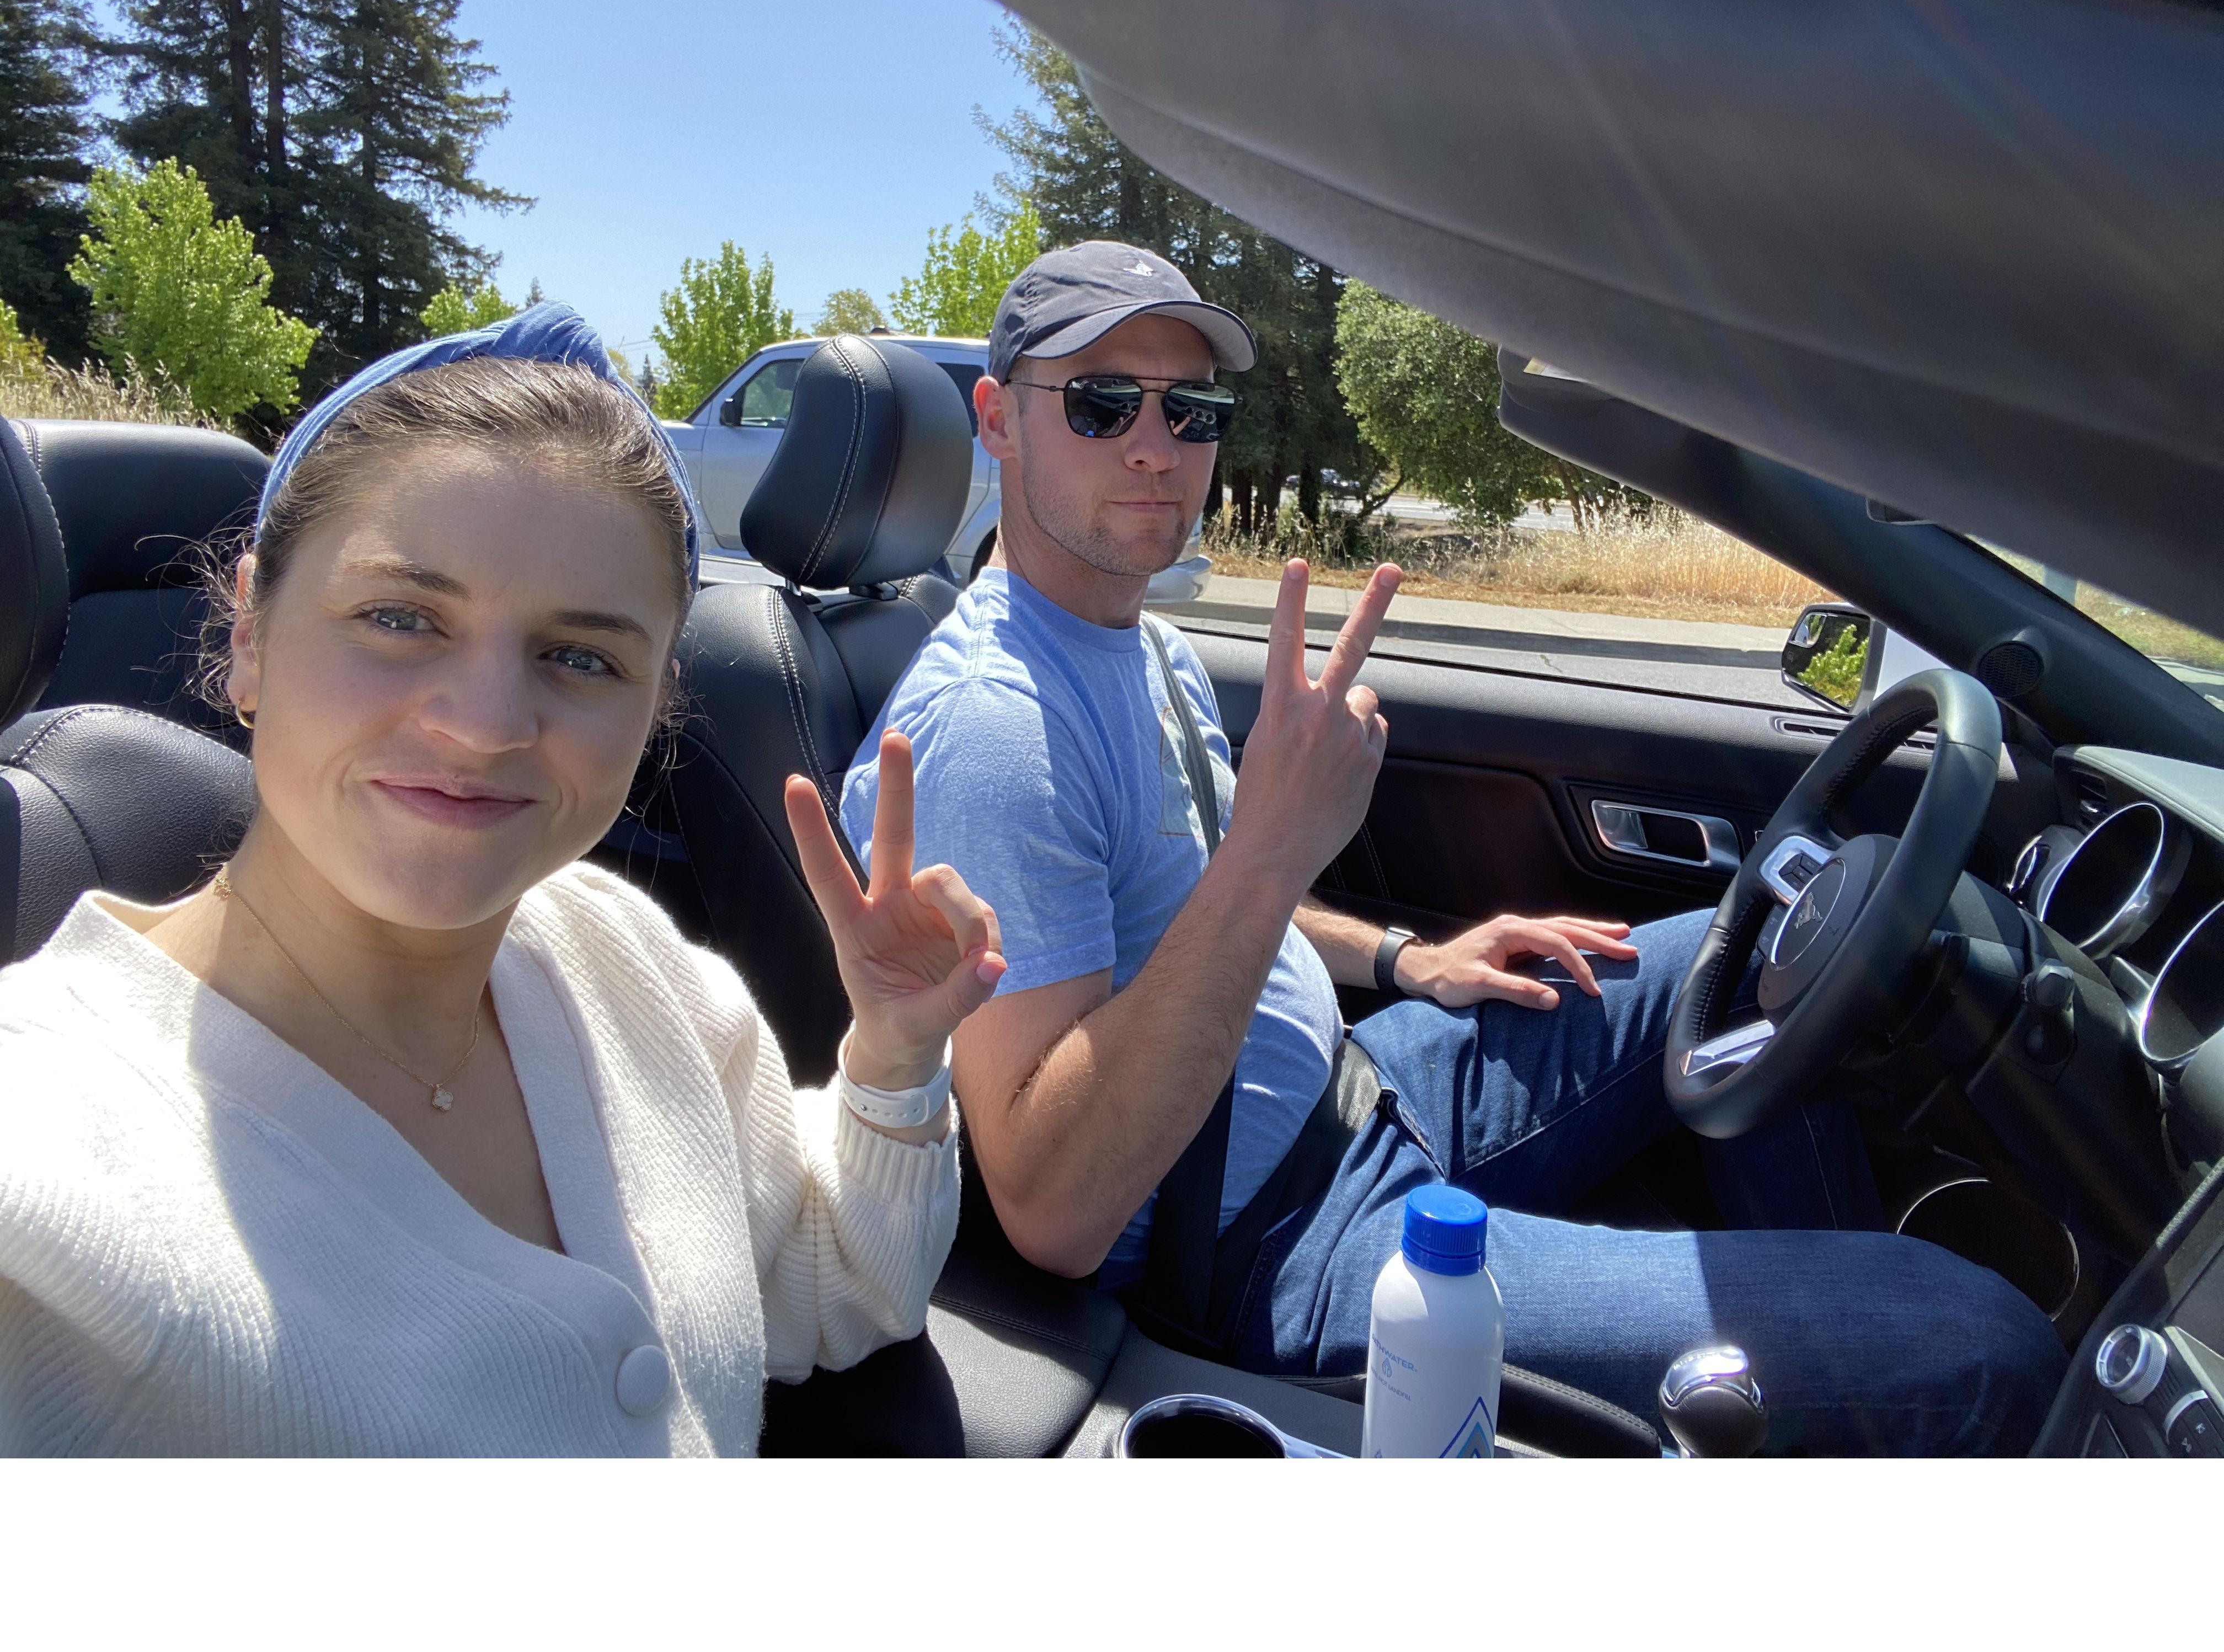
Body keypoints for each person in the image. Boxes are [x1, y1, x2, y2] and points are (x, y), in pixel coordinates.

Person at [842, 242, 2067, 1455]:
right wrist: (1272, 848)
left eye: (1192, 407)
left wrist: (1407, 957)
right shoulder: (996, 729)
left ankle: (1821, 1355)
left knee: (1762, 951)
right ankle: (1857, 1362)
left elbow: (1188, 899)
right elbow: (1054, 1206)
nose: (1158, 446)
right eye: (1103, 403)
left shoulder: (1145, 645)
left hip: (1367, 1084)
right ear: (998, 420)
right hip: (1273, 1239)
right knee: (1977, 1343)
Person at [0, 305, 1002, 1457]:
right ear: (251, 635)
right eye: (399, 618)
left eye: (582, 657)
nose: (484, 725)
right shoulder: (44, 1162)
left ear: (655, 702)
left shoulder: (629, 960)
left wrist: (893, 1060)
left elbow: (825, 1284)